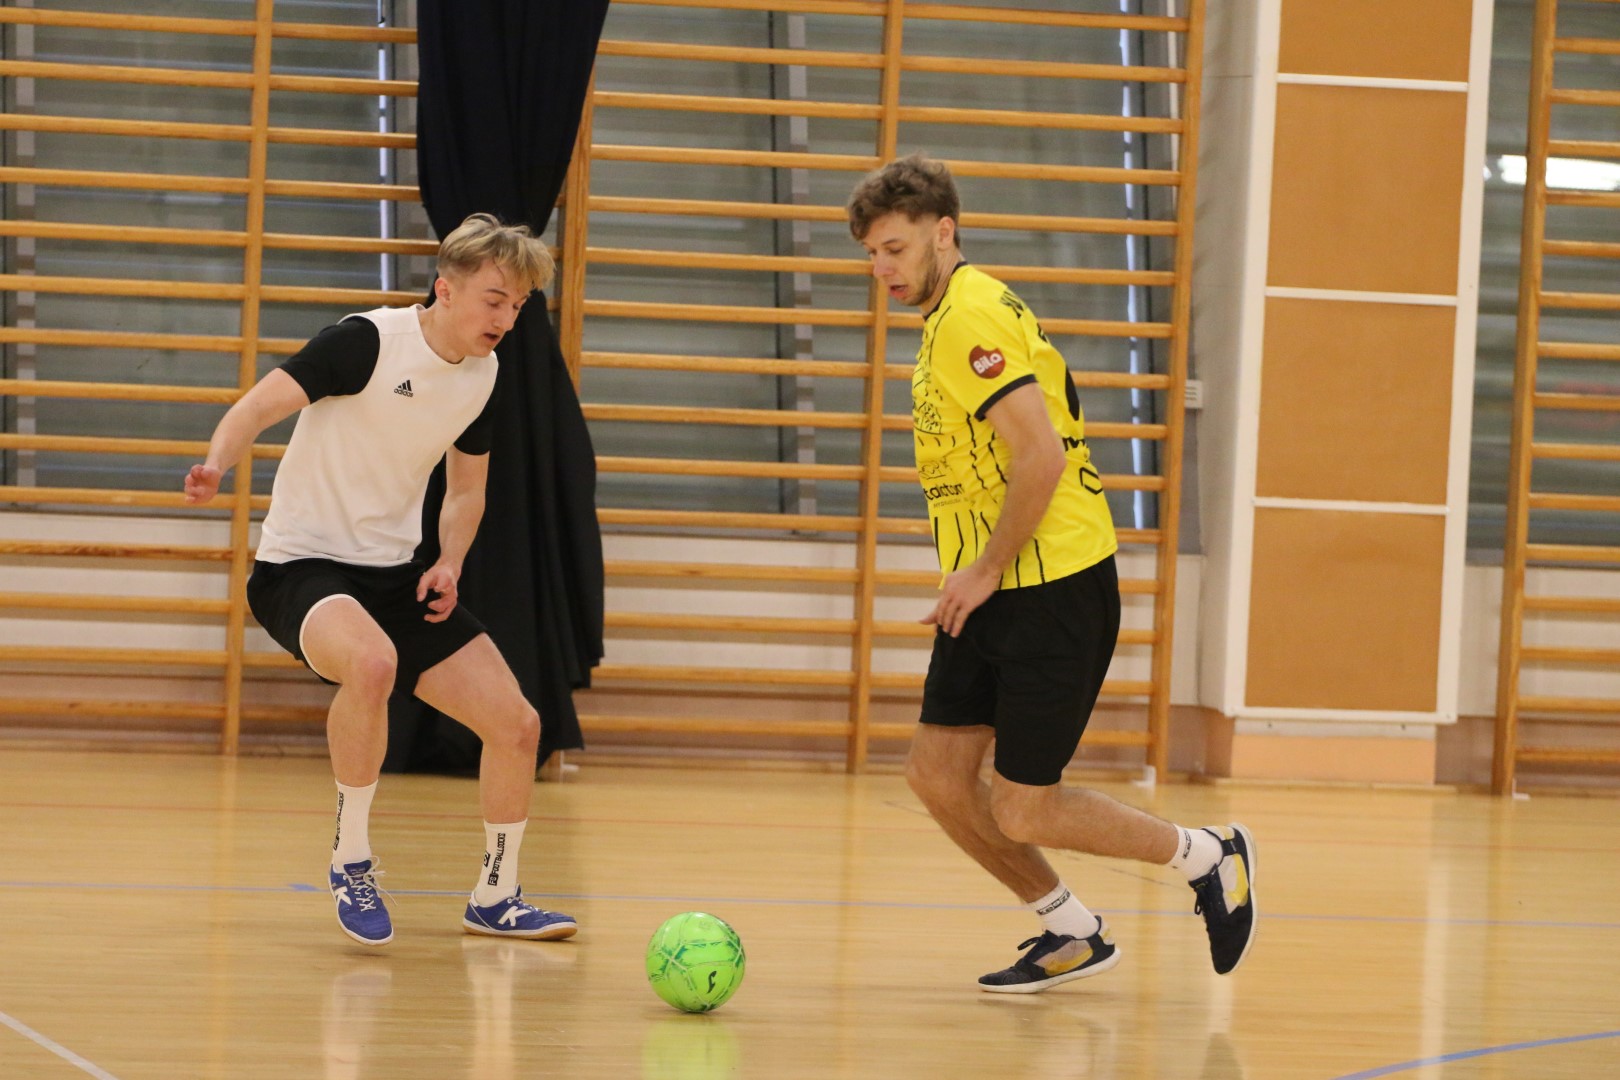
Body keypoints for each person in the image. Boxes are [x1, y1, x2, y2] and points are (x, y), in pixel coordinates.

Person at [847, 154, 1256, 992]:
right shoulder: (952, 314)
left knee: (1025, 803)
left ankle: (1208, 856)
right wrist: (978, 574)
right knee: (936, 775)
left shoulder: (969, 317)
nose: (881, 269)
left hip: (1048, 585)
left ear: (943, 233)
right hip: (994, 586)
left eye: (894, 249)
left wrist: (985, 569)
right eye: (872, 255)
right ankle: (1071, 931)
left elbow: (1040, 457)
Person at [184, 213, 575, 947]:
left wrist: (450, 561)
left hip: (394, 577)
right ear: (446, 290)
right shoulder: (366, 342)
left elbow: (466, 490)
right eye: (494, 299)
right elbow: (258, 407)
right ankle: (352, 860)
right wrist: (216, 463)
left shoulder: (484, 376)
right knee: (371, 663)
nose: (505, 318)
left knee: (518, 726)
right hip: (300, 567)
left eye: (518, 305)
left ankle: (496, 897)